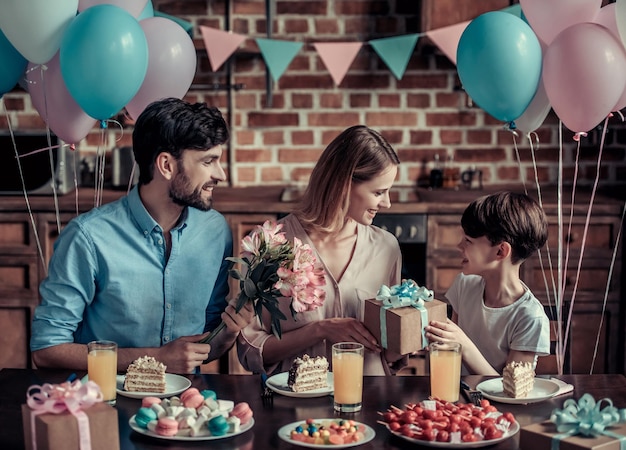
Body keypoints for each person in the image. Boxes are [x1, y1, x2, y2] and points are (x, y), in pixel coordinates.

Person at [31, 98, 254, 373]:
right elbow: (47, 350)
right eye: (209, 161)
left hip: (184, 408)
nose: (220, 174)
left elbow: (205, 347)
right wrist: (155, 359)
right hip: (108, 406)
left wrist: (229, 332)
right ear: (166, 166)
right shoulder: (87, 238)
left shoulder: (216, 231)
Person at [238, 125, 406, 376]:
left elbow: (389, 355)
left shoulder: (386, 247)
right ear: (343, 184)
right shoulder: (269, 244)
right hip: (296, 403)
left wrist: (408, 337)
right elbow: (250, 350)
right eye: (379, 192)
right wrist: (320, 330)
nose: (387, 202)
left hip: (368, 399)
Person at [425, 191, 550, 375]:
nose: (459, 246)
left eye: (468, 241)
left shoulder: (530, 318)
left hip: (496, 404)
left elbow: (509, 391)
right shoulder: (464, 284)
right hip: (456, 397)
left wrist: (464, 346)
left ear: (500, 251)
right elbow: (448, 354)